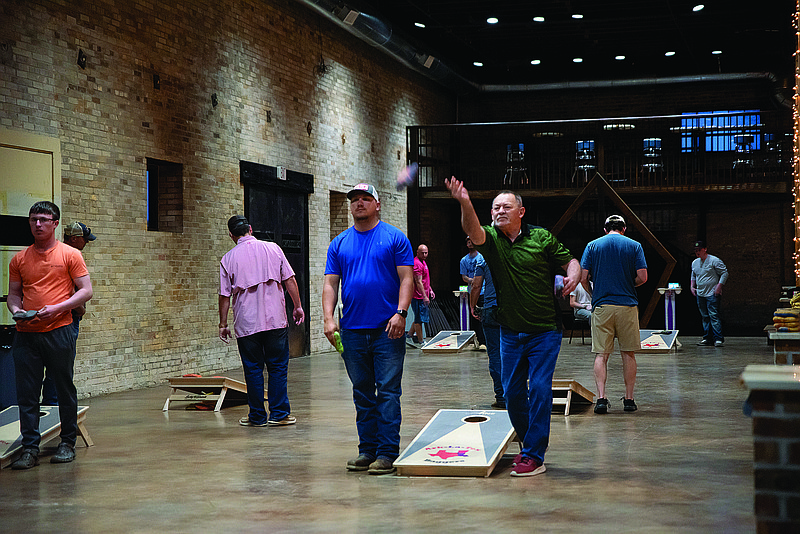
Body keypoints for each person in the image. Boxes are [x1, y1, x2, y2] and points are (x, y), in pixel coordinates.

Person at [446, 178, 581, 477]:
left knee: (542, 389)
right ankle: (528, 444)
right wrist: (465, 202)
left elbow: (571, 261)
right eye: (495, 207)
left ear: (521, 211)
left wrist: (573, 276)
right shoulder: (491, 240)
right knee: (512, 393)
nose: (499, 211)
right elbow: (472, 230)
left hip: (544, 329)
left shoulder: (541, 238)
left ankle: (534, 454)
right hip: (509, 330)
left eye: (506, 206)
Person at [322, 183, 414, 475]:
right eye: (354, 200)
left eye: (365, 199)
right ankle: (367, 450)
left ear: (378, 204)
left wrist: (401, 313)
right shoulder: (339, 243)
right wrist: (328, 318)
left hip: (388, 329)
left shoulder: (394, 238)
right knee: (362, 392)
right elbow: (330, 283)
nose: (359, 204)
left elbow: (406, 279)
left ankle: (387, 452)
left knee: (387, 391)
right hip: (352, 329)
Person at [7, 201, 93, 469]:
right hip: (26, 334)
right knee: (27, 393)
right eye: (34, 219)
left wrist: (57, 308)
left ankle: (67, 443)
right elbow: (13, 294)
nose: (38, 224)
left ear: (55, 223)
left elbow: (85, 291)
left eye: (44, 219)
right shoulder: (19, 258)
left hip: (59, 329)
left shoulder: (70, 255)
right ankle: (30, 448)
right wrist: (16, 309)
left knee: (62, 387)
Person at [218, 215, 304, 428]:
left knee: (253, 369)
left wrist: (223, 324)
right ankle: (279, 414)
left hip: (247, 324)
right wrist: (298, 306)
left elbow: (224, 295)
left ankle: (257, 416)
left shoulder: (228, 259)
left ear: (231, 235)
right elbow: (290, 279)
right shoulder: (273, 248)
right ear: (251, 229)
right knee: (277, 367)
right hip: (275, 319)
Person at [580, 215, 648, 415]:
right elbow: (643, 277)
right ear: (624, 228)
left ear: (605, 229)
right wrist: (628, 284)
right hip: (627, 306)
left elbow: (583, 278)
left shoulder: (592, 246)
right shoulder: (635, 246)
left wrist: (594, 294)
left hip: (602, 306)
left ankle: (601, 399)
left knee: (602, 354)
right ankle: (629, 399)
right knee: (628, 353)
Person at [41, 221, 98, 406]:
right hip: (66, 320)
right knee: (61, 368)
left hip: (64, 317)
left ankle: (53, 405)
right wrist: (79, 309)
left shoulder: (56, 255)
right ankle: (55, 407)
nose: (86, 243)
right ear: (74, 239)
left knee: (56, 367)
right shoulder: (69, 258)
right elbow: (71, 293)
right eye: (84, 240)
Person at [470, 253, 504, 408]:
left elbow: (476, 285)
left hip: (491, 309)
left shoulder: (483, 258)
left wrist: (473, 305)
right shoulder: (512, 251)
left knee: (495, 354)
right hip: (513, 310)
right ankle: (518, 394)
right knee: (516, 353)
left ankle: (501, 397)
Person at [690, 240, 728, 347]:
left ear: (705, 249)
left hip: (711, 293)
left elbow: (724, 273)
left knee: (713, 315)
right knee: (704, 316)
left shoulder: (714, 260)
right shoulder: (695, 262)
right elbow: (693, 275)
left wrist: (719, 286)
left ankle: (718, 338)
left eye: (699, 250)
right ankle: (707, 337)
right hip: (700, 293)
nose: (697, 252)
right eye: (696, 250)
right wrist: (692, 286)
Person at [460, 236, 485, 349]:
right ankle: (478, 341)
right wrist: (471, 280)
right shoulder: (464, 260)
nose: (470, 244)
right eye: (468, 242)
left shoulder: (482, 258)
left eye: (472, 242)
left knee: (484, 317)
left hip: (483, 291)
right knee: (474, 317)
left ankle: (485, 341)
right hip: (472, 291)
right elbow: (464, 276)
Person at [408, 244, 434, 346]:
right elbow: (418, 281)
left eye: (426, 253)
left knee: (419, 317)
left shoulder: (423, 262)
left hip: (423, 294)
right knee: (419, 319)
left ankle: (409, 336)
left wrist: (430, 290)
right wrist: (424, 296)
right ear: (417, 252)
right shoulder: (417, 264)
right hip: (417, 296)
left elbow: (425, 279)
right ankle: (421, 341)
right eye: (422, 253)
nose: (424, 254)